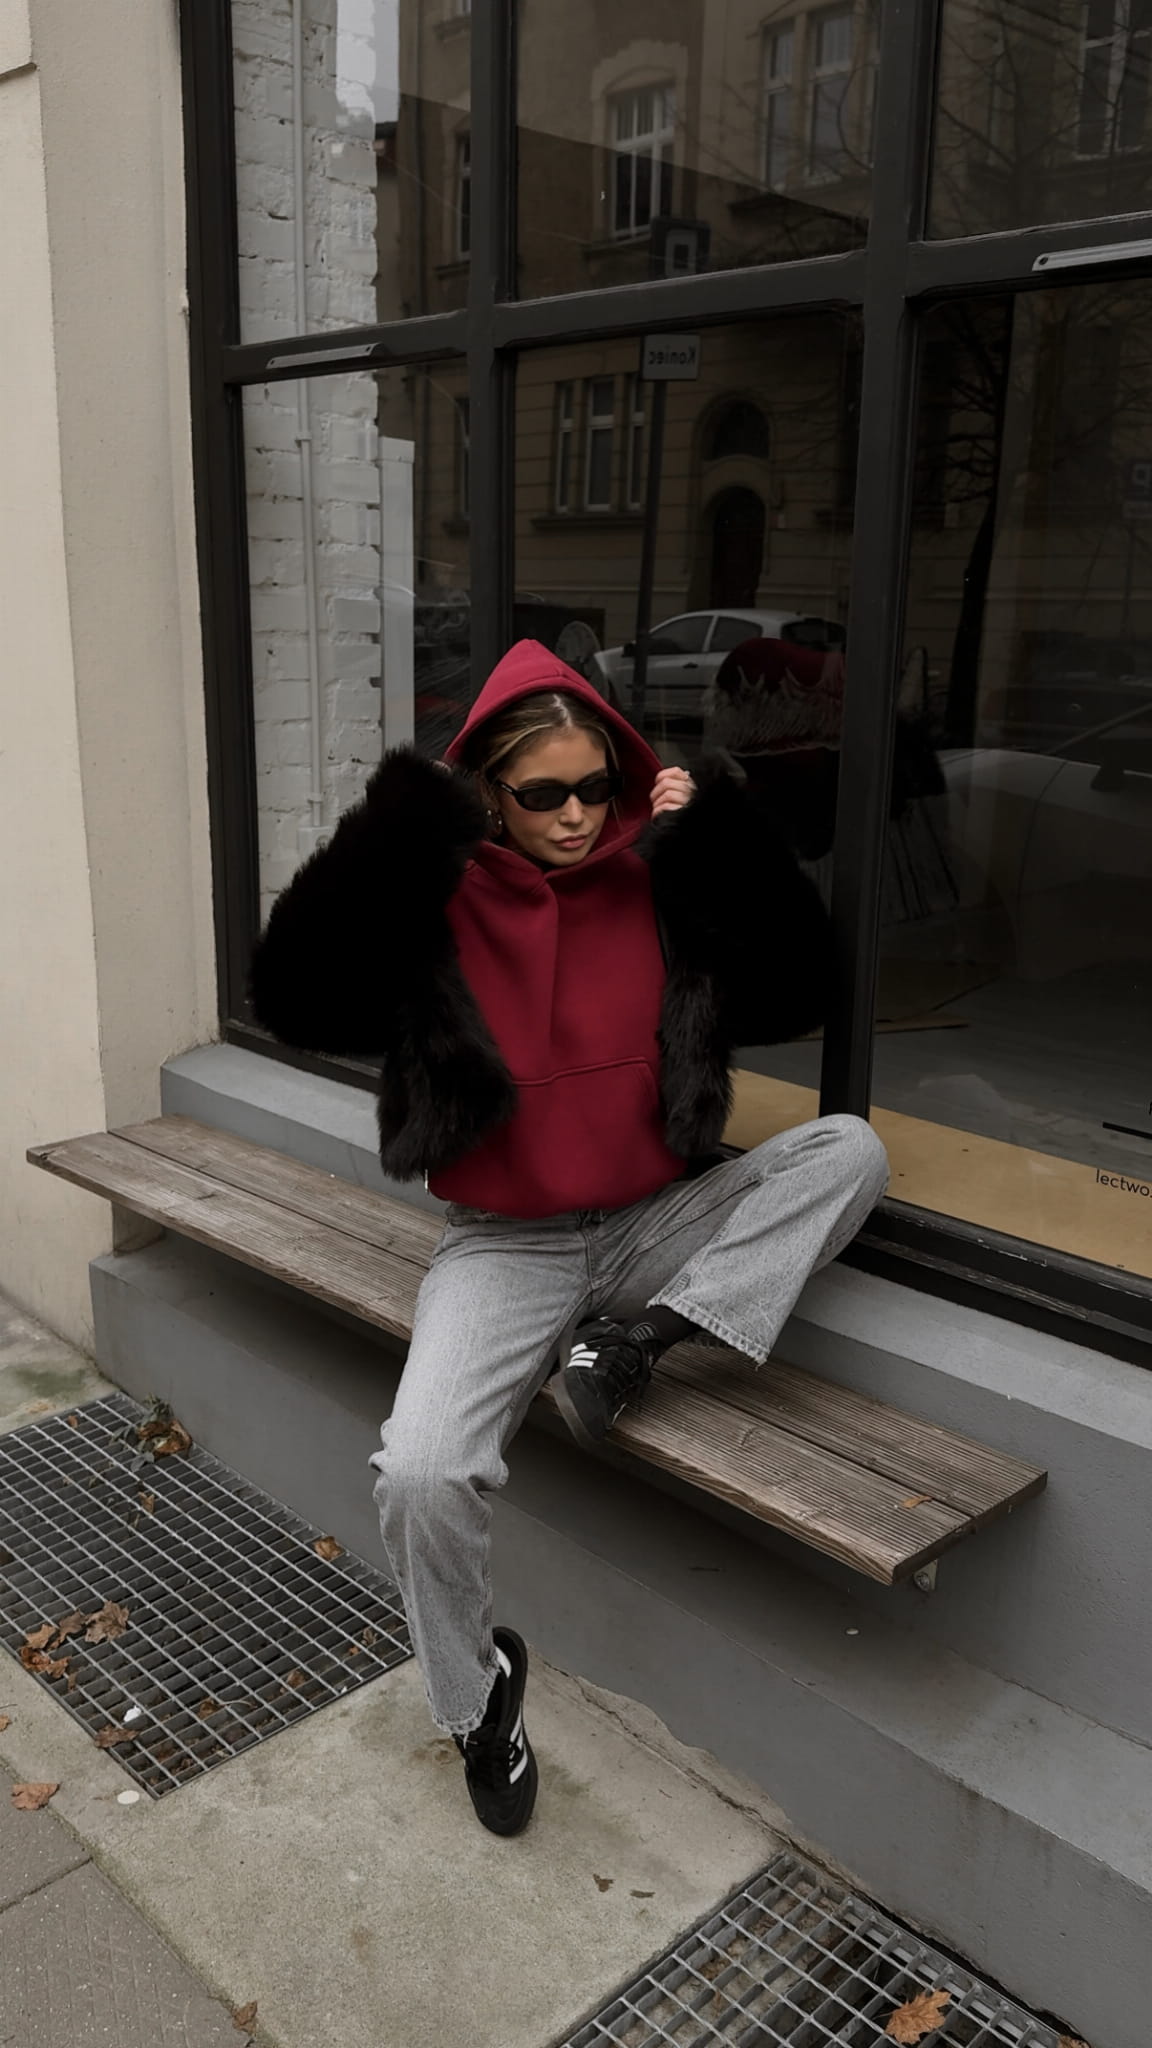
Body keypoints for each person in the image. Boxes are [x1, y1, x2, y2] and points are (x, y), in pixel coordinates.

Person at [250, 639, 888, 1839]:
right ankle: (476, 1699)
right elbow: (291, 995)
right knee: (422, 1472)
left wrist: (716, 837)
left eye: (596, 785)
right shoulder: (440, 902)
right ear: (490, 789)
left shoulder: (655, 881)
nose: (577, 813)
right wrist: (395, 831)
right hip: (509, 1246)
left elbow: (803, 989)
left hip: (655, 1224)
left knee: (848, 1148)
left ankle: (644, 1342)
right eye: (543, 792)